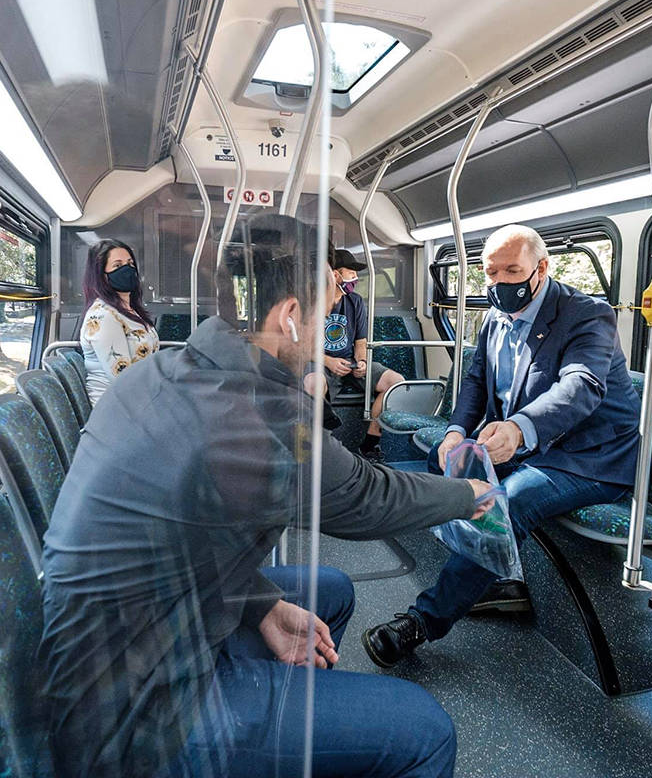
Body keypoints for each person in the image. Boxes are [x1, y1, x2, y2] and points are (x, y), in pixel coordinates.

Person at [40, 213, 493, 778]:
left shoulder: (167, 370)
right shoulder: (261, 414)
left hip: (132, 632)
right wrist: (466, 492)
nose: (332, 318)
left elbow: (188, 535)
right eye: (326, 307)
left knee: (328, 592)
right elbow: (365, 495)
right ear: (291, 317)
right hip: (138, 711)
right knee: (427, 732)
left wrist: (261, 606)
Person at [362, 224, 641, 669]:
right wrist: (456, 431)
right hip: (531, 443)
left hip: (589, 457)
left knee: (506, 504)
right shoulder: (494, 316)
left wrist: (518, 427)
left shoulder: (587, 315)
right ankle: (492, 575)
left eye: (512, 271)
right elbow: (476, 380)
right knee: (447, 465)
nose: (500, 284)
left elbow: (581, 385)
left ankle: (422, 621)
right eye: (491, 273)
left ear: (541, 267)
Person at [304, 248, 404, 462]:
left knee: (396, 382)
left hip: (349, 361)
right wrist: (329, 361)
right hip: (320, 362)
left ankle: (369, 444)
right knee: (313, 384)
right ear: (336, 275)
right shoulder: (312, 301)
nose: (355, 278)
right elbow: (302, 346)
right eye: (351, 272)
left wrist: (362, 361)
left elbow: (361, 342)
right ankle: (320, 446)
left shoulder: (355, 302)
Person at [79, 239, 159, 403]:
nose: (127, 269)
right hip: (116, 409)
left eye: (130, 263)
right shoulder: (103, 316)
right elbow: (123, 380)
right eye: (117, 265)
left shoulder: (129, 310)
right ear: (102, 276)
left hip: (138, 400)